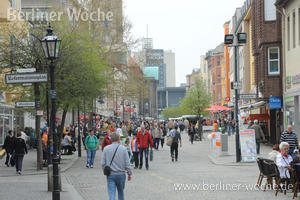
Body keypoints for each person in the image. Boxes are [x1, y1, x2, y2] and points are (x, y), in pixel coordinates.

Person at [101, 132, 132, 200]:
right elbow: (127, 163)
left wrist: (105, 170)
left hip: (110, 174)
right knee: (121, 192)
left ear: (111, 139)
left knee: (111, 194)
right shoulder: (123, 149)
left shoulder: (106, 149)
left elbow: (103, 163)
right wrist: (129, 173)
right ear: (118, 139)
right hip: (121, 174)